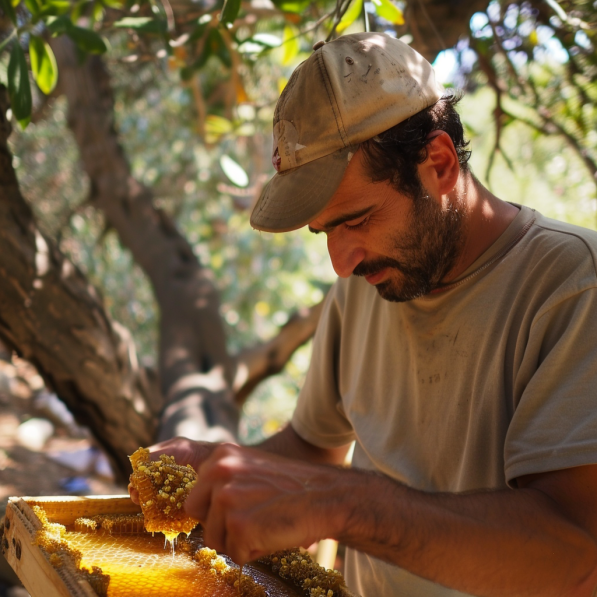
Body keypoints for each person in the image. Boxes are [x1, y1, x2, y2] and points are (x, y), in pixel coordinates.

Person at [131, 32, 597, 596]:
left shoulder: (571, 285)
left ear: (440, 164)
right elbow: (311, 448)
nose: (341, 262)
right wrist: (219, 462)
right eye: (325, 231)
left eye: (356, 218)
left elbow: (574, 554)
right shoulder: (368, 280)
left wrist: (348, 504)